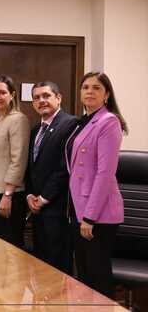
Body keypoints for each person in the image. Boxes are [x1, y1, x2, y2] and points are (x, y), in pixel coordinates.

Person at [66, 72, 127, 298]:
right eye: (86, 87)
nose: (90, 91)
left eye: (97, 88)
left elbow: (105, 173)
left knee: (97, 276)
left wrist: (89, 217)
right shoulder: (85, 121)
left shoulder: (109, 122)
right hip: (79, 207)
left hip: (97, 214)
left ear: (107, 95)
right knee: (84, 275)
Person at [25, 81, 77, 274]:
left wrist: (44, 198)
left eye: (46, 96)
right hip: (37, 210)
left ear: (59, 98)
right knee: (41, 266)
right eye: (37, 97)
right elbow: (31, 168)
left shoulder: (70, 124)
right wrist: (30, 194)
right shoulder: (34, 131)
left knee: (58, 267)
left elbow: (65, 168)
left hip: (58, 208)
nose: (41, 101)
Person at [0, 75, 30, 248]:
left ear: (12, 95)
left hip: (8, 194)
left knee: (8, 248)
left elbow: (18, 159)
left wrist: (7, 195)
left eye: (2, 92)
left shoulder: (18, 120)